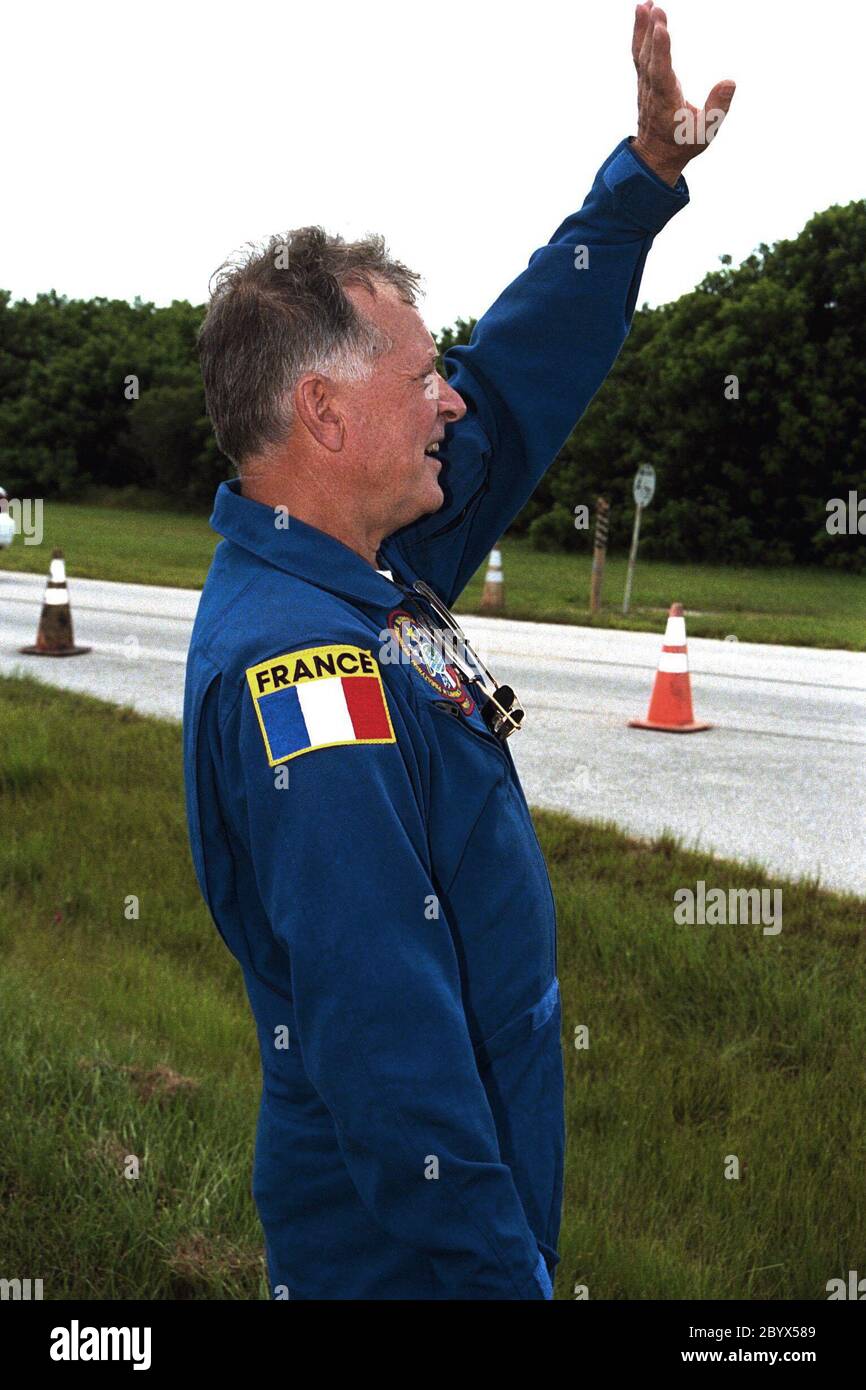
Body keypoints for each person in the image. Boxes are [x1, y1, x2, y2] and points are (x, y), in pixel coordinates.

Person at [183, 2, 734, 1299]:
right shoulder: (309, 680)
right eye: (422, 378)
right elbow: (389, 1054)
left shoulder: (369, 564)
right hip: (403, 1255)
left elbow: (518, 373)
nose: (450, 399)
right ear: (322, 413)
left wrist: (640, 186)